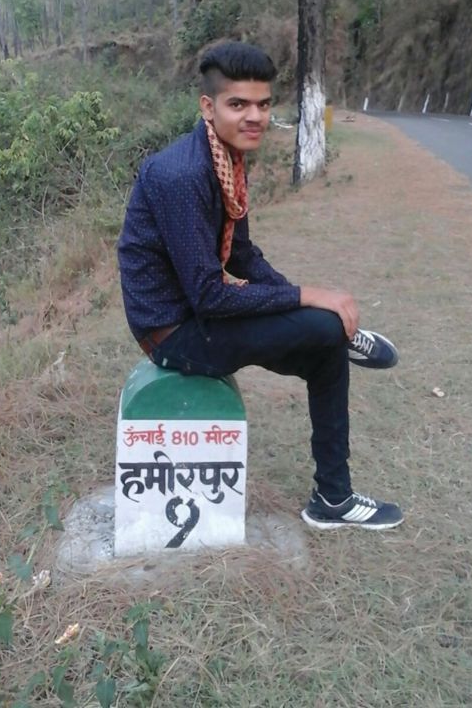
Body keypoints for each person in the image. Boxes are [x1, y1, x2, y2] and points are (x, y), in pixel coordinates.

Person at [118, 41, 403, 530]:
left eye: (264, 105)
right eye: (238, 104)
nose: (255, 117)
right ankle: (341, 335)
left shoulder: (226, 160)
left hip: (197, 316)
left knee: (324, 345)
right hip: (173, 333)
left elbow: (242, 255)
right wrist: (308, 298)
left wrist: (303, 305)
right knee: (325, 329)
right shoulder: (182, 174)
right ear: (208, 107)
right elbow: (209, 295)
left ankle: (333, 498)